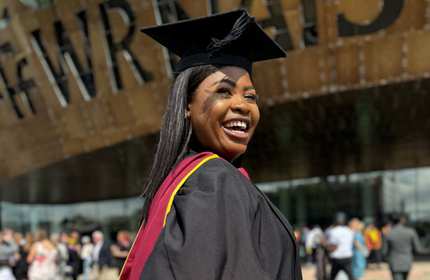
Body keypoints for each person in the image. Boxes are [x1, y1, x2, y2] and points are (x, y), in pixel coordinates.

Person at [119, 9, 302, 280]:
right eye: (223, 92)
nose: (241, 105)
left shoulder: (184, 181)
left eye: (250, 96)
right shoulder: (214, 182)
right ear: (186, 106)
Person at [384, 214, 430, 280]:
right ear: (402, 221)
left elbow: (384, 251)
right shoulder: (411, 232)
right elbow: (418, 249)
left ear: (391, 221)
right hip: (407, 261)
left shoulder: (388, 233)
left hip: (394, 262)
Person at [326, 212, 355, 280]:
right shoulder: (349, 231)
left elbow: (333, 247)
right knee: (351, 276)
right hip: (347, 257)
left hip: (337, 258)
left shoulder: (333, 231)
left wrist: (326, 246)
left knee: (332, 277)